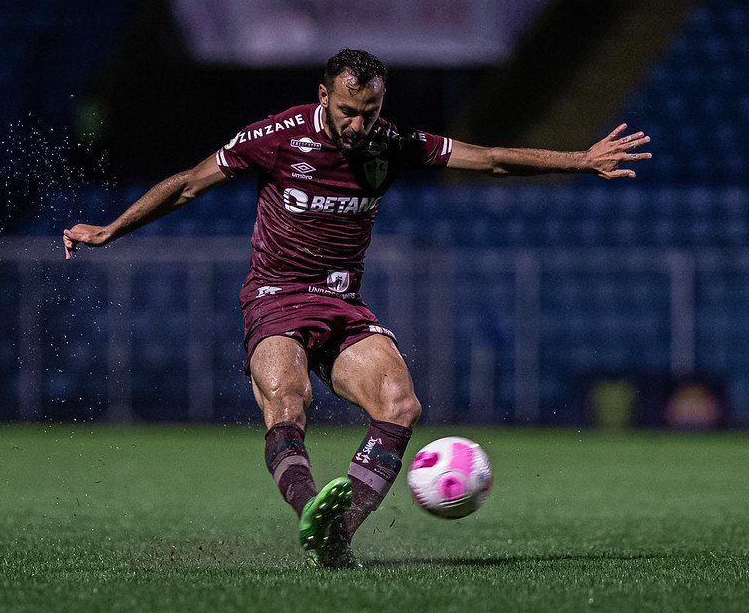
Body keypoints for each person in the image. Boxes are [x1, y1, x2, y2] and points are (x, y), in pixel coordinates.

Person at [63, 49, 651, 568]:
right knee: (291, 400)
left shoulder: (389, 144)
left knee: (401, 404)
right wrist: (111, 229)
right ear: (324, 96)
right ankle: (307, 509)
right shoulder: (278, 136)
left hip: (342, 302)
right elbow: (190, 183)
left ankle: (335, 535)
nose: (358, 123)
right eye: (348, 110)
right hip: (275, 296)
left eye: (369, 111)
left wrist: (581, 159)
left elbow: (491, 158)